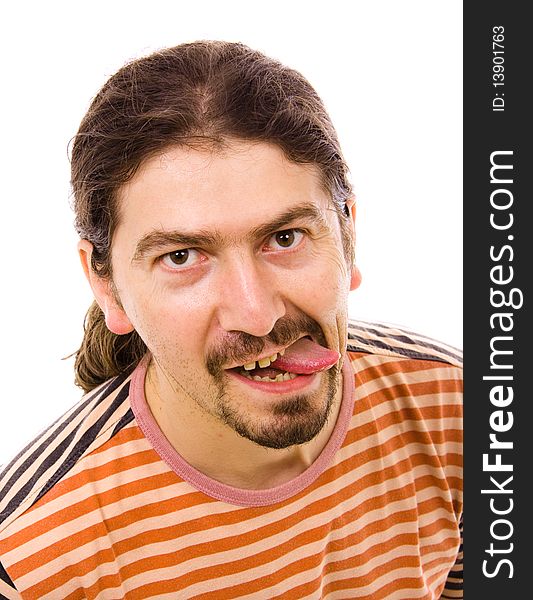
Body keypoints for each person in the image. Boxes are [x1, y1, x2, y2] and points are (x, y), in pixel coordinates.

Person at [0, 41, 462, 599]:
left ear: (348, 235)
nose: (258, 313)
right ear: (106, 285)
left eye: (284, 238)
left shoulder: (461, 409)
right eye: (181, 257)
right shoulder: (28, 558)